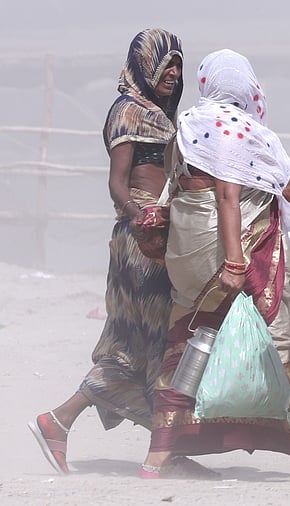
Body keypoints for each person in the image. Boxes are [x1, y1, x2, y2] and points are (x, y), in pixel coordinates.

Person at [139, 49, 290, 480]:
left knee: (184, 343)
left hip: (187, 253)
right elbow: (227, 196)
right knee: (273, 344)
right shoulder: (237, 130)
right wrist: (236, 262)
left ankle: (158, 455)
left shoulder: (187, 125)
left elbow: (177, 186)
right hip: (238, 254)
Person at [28, 28, 186, 475]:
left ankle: (63, 422)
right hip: (140, 242)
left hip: (156, 236)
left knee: (148, 344)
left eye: (178, 64)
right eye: (164, 64)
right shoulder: (129, 111)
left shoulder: (161, 113)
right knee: (146, 343)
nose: (173, 72)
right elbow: (118, 183)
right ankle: (161, 450)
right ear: (143, 65)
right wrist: (145, 215)